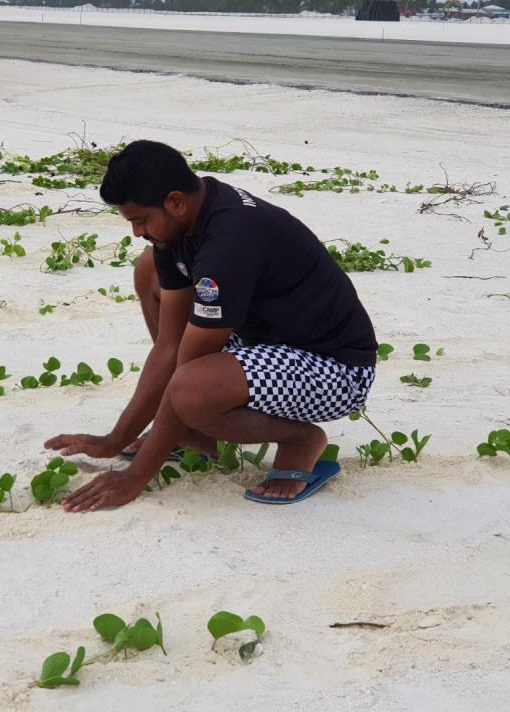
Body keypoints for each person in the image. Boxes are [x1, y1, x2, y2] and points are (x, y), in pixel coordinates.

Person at [45, 140, 377, 511]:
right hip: (263, 340)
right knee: (149, 271)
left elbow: (184, 373)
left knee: (191, 390)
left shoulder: (229, 242)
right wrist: (114, 439)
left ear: (175, 201)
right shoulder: (181, 225)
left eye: (140, 219)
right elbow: (169, 348)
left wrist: (135, 476)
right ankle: (195, 433)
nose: (137, 232)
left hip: (333, 368)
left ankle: (301, 440)